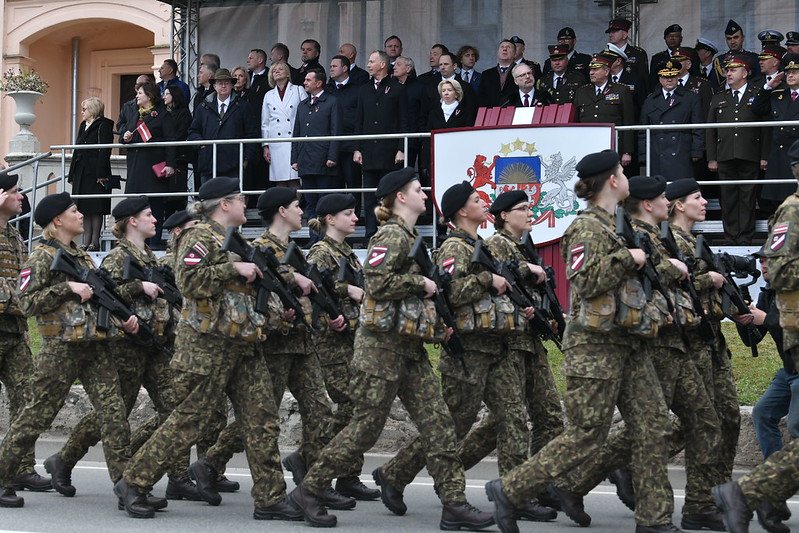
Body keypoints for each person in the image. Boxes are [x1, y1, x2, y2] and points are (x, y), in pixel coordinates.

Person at [287, 167, 494, 530]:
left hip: (409, 349)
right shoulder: (391, 236)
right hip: (381, 349)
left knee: (440, 425)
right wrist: (421, 282)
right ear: (401, 197)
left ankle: (455, 503)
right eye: (418, 190)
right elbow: (378, 283)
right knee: (365, 427)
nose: (425, 196)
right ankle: (310, 490)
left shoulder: (411, 236)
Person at [485, 151, 677, 533]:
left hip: (629, 343)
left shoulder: (618, 226)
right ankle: (510, 489)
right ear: (612, 181)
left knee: (655, 425)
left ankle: (654, 519)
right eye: (622, 172)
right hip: (595, 348)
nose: (626, 178)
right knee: (586, 434)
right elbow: (586, 283)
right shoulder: (586, 228)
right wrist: (628, 258)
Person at [115, 177, 298, 522]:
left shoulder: (238, 240)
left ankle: (270, 497)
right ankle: (134, 482)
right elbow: (189, 283)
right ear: (224, 204)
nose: (247, 205)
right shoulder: (198, 236)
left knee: (262, 421)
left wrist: (278, 315)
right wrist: (233, 268)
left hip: (244, 345)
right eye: (241, 200)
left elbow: (242, 298)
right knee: (187, 421)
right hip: (207, 347)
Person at [552, 175, 722, 532]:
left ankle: (696, 504)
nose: (666, 202)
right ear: (650, 203)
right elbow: (624, 281)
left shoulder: (649, 236)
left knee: (699, 421)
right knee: (651, 427)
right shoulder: (633, 235)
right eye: (663, 197)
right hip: (655, 340)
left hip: (676, 337)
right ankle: (576, 483)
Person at [376, 181, 550, 522]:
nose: (482, 203)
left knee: (513, 418)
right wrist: (487, 280)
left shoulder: (480, 244)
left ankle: (515, 493)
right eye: (475, 200)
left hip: (496, 343)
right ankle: (396, 473)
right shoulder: (455, 247)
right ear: (460, 211)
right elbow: (451, 293)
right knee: (455, 422)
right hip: (469, 349)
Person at [47, 196, 197, 505]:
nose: (155, 220)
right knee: (114, 416)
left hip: (155, 346)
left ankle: (178, 477)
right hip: (127, 347)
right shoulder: (117, 257)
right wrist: (138, 287)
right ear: (132, 221)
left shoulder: (151, 258)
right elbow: (110, 296)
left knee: (174, 410)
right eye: (148, 215)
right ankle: (64, 459)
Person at [0, 193, 138, 508]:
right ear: (58, 221)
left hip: (94, 345)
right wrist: (68, 288)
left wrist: (124, 318)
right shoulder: (41, 256)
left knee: (114, 414)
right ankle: (3, 475)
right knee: (35, 415)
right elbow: (26, 302)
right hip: (60, 349)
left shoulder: (83, 257)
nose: (81, 215)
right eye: (74, 211)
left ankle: (127, 486)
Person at [712, 141, 799, 533]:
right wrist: (761, 317)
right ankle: (754, 495)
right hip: (794, 350)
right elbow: (779, 276)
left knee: (774, 417)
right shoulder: (793, 211)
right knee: (785, 425)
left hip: (790, 354)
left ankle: (757, 495)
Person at [666, 177, 742, 532]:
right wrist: (707, 281)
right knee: (703, 424)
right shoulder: (667, 242)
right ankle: (700, 501)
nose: (705, 202)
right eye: (698, 197)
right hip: (691, 342)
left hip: (713, 339)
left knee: (728, 417)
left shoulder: (696, 241)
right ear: (679, 204)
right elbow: (666, 287)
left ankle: (718, 493)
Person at [305, 193, 379, 501]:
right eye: (349, 214)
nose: (356, 218)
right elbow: (310, 286)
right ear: (330, 219)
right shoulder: (320, 252)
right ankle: (311, 460)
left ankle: (348, 475)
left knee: (357, 405)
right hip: (331, 340)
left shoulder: (346, 252)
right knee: (351, 405)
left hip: (351, 337)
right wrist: (344, 288)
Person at [0, 173, 52, 505]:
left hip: (14, 332)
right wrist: (21, 301)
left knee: (27, 398)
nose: (21, 197)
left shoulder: (16, 236)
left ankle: (19, 466)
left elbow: (23, 281)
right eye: (16, 191)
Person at [733, 250, 797, 464]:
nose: (764, 265)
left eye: (768, 260)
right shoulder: (767, 294)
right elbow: (753, 339)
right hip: (789, 370)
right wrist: (743, 319)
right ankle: (776, 471)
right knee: (763, 413)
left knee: (796, 425)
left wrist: (766, 318)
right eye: (761, 261)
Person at [706, 54, 769, 245]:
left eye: (733, 70)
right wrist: (712, 158)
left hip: (749, 154)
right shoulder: (719, 97)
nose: (728, 73)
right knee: (728, 197)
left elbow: (765, 128)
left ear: (745, 73)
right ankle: (731, 237)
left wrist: (764, 156)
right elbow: (711, 130)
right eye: (727, 70)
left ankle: (745, 237)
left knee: (748, 197)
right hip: (725, 154)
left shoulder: (756, 94)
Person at [354, 50, 409, 239]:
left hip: (390, 151)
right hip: (368, 150)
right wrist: (357, 148)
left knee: (390, 195)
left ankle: (390, 233)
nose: (368, 65)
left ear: (383, 64)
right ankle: (370, 233)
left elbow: (404, 120)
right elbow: (358, 121)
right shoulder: (363, 89)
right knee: (369, 196)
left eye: (371, 61)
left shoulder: (398, 88)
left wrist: (401, 147)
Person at [120, 82, 176, 249]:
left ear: (150, 96)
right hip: (136, 168)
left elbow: (171, 141)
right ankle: (137, 243)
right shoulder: (134, 115)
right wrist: (126, 137)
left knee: (155, 208)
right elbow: (122, 138)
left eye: (140, 93)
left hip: (152, 168)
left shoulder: (163, 115)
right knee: (136, 207)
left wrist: (171, 164)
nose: (137, 96)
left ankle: (154, 243)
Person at [188, 68, 260, 185]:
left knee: (232, 200)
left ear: (232, 85)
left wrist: (246, 158)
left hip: (234, 164)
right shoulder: (203, 107)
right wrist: (201, 144)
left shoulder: (243, 106)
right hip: (209, 163)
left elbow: (252, 133)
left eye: (227, 83)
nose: (223, 86)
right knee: (210, 201)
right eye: (220, 83)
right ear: (214, 86)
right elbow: (193, 131)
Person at [291, 68, 342, 231]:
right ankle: (314, 238)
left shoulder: (332, 101)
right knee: (311, 202)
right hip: (305, 160)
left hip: (323, 160)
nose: (304, 82)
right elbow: (296, 133)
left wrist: (332, 156)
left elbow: (336, 131)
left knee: (324, 202)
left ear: (319, 83)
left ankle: (326, 237)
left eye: (308, 80)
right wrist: (294, 159)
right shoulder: (303, 104)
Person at [638, 60, 703, 180]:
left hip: (682, 149)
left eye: (673, 76)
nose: (669, 80)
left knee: (680, 189)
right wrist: (643, 154)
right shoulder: (650, 100)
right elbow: (643, 130)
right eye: (665, 77)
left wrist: (696, 151)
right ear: (660, 79)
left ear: (678, 77)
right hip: (657, 150)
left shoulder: (690, 98)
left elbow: (697, 127)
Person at [752, 55, 799, 217]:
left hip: (795, 157)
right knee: (777, 205)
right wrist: (768, 87)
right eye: (788, 72)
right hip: (778, 157)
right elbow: (757, 109)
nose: (790, 75)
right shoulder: (778, 94)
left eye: (795, 72)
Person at [68, 96, 114, 251]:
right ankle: (85, 241)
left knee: (96, 207)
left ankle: (95, 241)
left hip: (96, 171)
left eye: (85, 109)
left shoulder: (104, 125)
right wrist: (71, 174)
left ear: (93, 110)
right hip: (81, 170)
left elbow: (104, 150)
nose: (82, 112)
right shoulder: (83, 125)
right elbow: (77, 149)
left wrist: (101, 173)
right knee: (84, 207)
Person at [573, 54, 635, 167]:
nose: (591, 72)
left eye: (595, 69)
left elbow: (628, 121)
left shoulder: (621, 90)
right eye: (591, 69)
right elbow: (576, 121)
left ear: (606, 71)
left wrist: (627, 152)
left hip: (612, 145)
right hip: (587, 145)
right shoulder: (581, 91)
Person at [261, 61, 306, 189]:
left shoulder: (298, 90)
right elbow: (265, 122)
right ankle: (282, 207)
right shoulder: (269, 95)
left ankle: (296, 206)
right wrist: (265, 146)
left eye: (280, 69)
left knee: (294, 178)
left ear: (287, 73)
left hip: (294, 140)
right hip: (276, 142)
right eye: (274, 70)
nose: (277, 72)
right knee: (279, 180)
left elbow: (305, 115)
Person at [327, 55, 362, 217]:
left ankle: (354, 216)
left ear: (345, 68)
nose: (331, 69)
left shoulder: (357, 89)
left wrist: (357, 146)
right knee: (334, 185)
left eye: (334, 66)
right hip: (331, 145)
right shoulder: (327, 90)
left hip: (350, 143)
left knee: (353, 182)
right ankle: (337, 217)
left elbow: (360, 118)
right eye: (331, 66)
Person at [163, 85, 193, 218]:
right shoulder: (165, 113)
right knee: (167, 194)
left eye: (167, 94)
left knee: (177, 194)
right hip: (167, 156)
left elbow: (181, 133)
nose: (164, 96)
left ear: (174, 96)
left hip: (179, 157)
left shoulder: (183, 113)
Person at [711, 20, 762, 88]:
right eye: (729, 38)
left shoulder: (754, 58)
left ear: (742, 38)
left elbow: (759, 82)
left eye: (736, 37)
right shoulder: (719, 61)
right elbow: (714, 86)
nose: (732, 41)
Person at [649, 24, 701, 88]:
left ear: (681, 39)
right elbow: (653, 81)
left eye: (676, 36)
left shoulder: (691, 54)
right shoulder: (657, 58)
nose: (672, 38)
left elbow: (696, 75)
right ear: (665, 39)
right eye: (669, 36)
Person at [606, 18, 649, 93]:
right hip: (609, 94)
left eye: (614, 31)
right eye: (610, 32)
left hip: (632, 94)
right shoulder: (604, 54)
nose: (610, 34)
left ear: (624, 34)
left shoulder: (638, 53)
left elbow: (644, 79)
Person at [477, 39, 518, 108]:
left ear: (515, 54)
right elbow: (481, 97)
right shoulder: (487, 74)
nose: (504, 49)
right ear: (498, 52)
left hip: (513, 112)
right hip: (491, 114)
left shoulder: (521, 72)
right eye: (502, 47)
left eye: (508, 47)